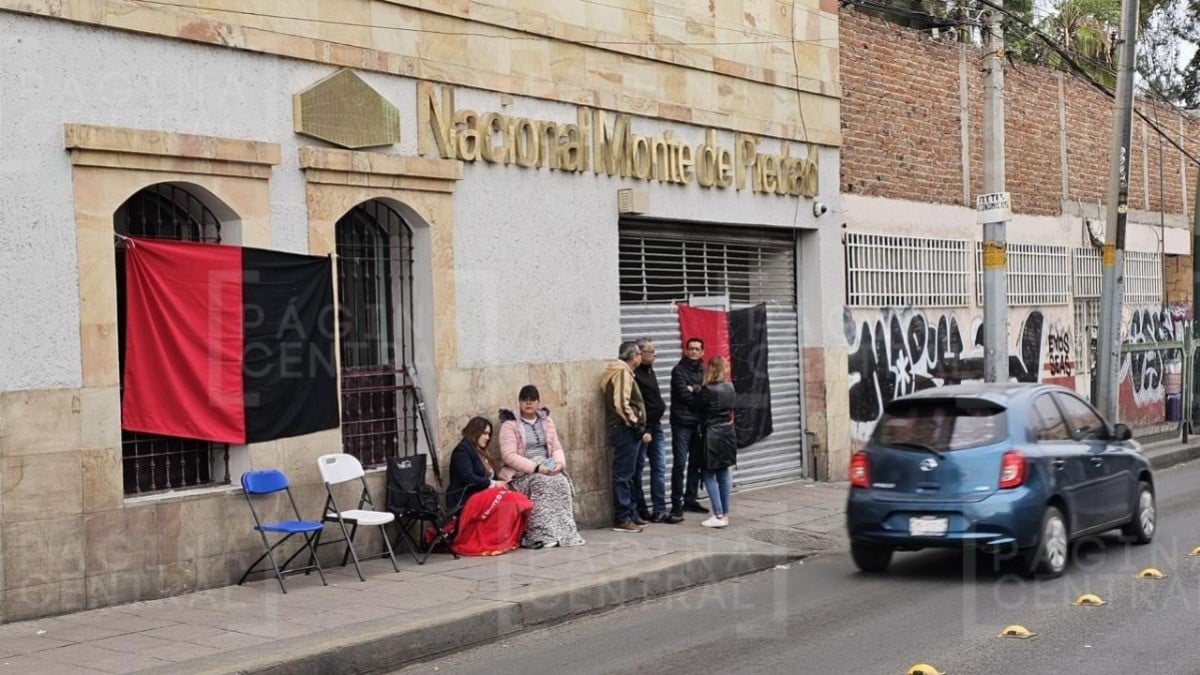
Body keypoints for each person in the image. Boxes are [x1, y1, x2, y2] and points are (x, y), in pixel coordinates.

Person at [498, 385, 586, 548]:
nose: (528, 403)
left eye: (532, 400)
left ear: (538, 402)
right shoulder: (509, 424)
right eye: (525, 400)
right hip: (522, 473)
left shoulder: (547, 421)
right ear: (519, 402)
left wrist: (559, 464)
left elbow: (556, 447)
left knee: (561, 482)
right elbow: (509, 456)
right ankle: (541, 533)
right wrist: (536, 468)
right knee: (541, 484)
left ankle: (564, 532)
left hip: (547, 467)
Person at [445, 416, 533, 556]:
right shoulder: (462, 451)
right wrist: (493, 484)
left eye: (489, 434)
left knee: (516, 498)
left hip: (484, 494)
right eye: (484, 433)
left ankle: (507, 538)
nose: (487, 438)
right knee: (507, 498)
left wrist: (502, 483)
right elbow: (468, 478)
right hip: (467, 497)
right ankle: (493, 540)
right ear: (475, 432)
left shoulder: (482, 452)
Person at [600, 341, 651, 533]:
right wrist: (636, 424)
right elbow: (621, 403)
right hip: (625, 429)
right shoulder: (621, 372)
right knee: (623, 474)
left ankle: (631, 513)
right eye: (639, 353)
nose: (640, 357)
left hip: (626, 429)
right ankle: (622, 518)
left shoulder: (623, 372)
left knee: (629, 474)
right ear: (632, 356)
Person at [633, 339, 682, 524]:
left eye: (654, 350)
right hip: (645, 428)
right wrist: (642, 428)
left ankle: (659, 509)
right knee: (637, 470)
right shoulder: (634, 374)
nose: (654, 354)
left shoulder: (649, 370)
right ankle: (641, 508)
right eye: (650, 351)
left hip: (657, 426)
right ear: (639, 353)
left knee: (659, 468)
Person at [696, 356, 737, 528]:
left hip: (712, 433)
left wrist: (694, 391)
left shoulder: (707, 390)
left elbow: (696, 405)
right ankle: (724, 513)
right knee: (723, 472)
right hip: (727, 431)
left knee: (708, 473)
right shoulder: (730, 386)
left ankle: (718, 514)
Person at [670, 337, 708, 517]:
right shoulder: (678, 371)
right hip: (681, 424)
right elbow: (684, 396)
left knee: (695, 463)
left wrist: (697, 390)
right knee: (679, 463)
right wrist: (699, 394)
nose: (693, 351)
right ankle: (676, 503)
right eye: (691, 348)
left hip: (698, 424)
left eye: (697, 349)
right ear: (686, 350)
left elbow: (709, 395)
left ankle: (690, 500)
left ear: (702, 352)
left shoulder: (705, 370)